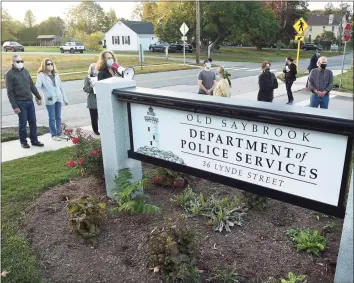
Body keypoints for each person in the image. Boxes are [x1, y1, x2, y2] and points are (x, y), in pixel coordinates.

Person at [5, 54, 44, 148]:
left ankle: (34, 140)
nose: (20, 63)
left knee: (33, 122)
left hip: (29, 101)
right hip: (20, 102)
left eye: (22, 61)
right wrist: (14, 106)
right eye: (18, 61)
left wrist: (38, 96)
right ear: (13, 63)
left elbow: (31, 85)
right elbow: (9, 92)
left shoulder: (25, 71)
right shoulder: (9, 74)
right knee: (23, 123)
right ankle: (23, 142)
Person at [36, 58, 69, 141]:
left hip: (58, 98)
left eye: (51, 64)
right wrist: (38, 97)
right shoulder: (41, 75)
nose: (50, 65)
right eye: (48, 64)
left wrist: (65, 99)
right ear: (44, 65)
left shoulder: (56, 74)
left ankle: (59, 133)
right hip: (50, 99)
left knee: (58, 117)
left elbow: (61, 87)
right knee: (52, 117)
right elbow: (38, 87)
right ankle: (53, 135)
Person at [83, 63, 100, 135]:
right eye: (94, 69)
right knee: (94, 117)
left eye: (97, 68)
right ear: (91, 70)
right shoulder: (88, 78)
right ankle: (95, 130)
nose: (96, 70)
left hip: (100, 100)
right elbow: (86, 89)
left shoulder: (101, 77)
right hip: (92, 101)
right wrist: (91, 86)